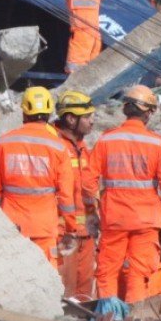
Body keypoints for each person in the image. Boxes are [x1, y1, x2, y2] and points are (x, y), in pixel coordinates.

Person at [90, 84, 161, 315]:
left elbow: (88, 180)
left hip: (114, 219)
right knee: (138, 273)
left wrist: (90, 214)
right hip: (146, 221)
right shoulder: (156, 143)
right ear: (148, 112)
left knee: (108, 270)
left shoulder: (106, 140)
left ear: (125, 109)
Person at [0, 86, 80, 265]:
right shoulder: (59, 148)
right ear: (48, 114)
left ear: (24, 113)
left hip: (11, 226)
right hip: (44, 228)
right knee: (44, 282)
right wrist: (71, 229)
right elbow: (66, 196)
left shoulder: (4, 143)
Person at [54, 89, 100, 298]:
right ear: (71, 119)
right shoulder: (55, 146)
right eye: (88, 116)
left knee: (83, 295)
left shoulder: (82, 148)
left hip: (86, 234)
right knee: (65, 292)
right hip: (65, 233)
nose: (93, 121)